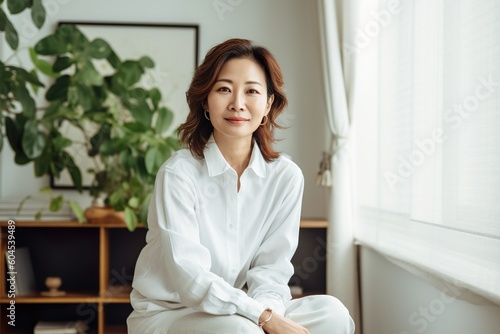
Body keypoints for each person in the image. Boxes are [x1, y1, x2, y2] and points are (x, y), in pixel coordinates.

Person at [127, 38, 355, 334]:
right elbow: (190, 279)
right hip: (172, 313)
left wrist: (267, 312)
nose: (237, 103)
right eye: (224, 89)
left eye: (251, 91)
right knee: (241, 331)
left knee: (332, 314)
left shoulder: (285, 177)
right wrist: (261, 317)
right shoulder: (178, 174)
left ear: (269, 103)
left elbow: (271, 270)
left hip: (242, 310)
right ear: (206, 99)